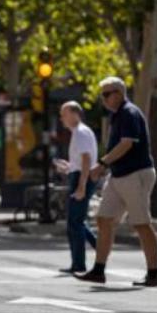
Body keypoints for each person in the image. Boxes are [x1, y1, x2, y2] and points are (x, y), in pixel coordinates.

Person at [77, 77, 157, 287]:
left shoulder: (129, 113)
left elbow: (126, 145)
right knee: (104, 219)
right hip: (119, 175)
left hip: (136, 174)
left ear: (119, 93)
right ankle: (98, 270)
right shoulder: (117, 115)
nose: (104, 99)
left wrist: (102, 164)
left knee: (141, 223)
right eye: (102, 95)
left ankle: (154, 274)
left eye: (107, 94)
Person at [57, 101, 98, 274]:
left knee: (74, 222)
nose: (62, 119)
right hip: (79, 175)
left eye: (64, 114)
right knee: (77, 220)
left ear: (75, 113)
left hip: (83, 178)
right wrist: (69, 166)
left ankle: (79, 263)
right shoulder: (79, 132)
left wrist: (81, 186)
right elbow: (81, 161)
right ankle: (100, 247)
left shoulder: (80, 132)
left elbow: (87, 160)